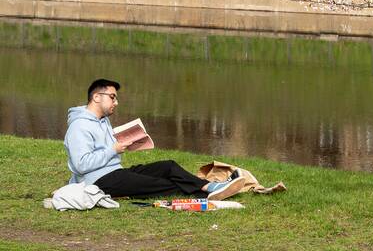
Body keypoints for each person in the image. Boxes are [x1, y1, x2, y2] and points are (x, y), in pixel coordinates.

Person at [64, 78, 243, 200]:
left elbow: (107, 152)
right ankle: (211, 192)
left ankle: (209, 187)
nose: (116, 102)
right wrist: (113, 149)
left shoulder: (103, 121)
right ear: (96, 97)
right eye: (112, 97)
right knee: (161, 185)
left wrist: (127, 145)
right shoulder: (79, 126)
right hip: (97, 181)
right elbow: (81, 164)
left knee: (168, 166)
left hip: (116, 173)